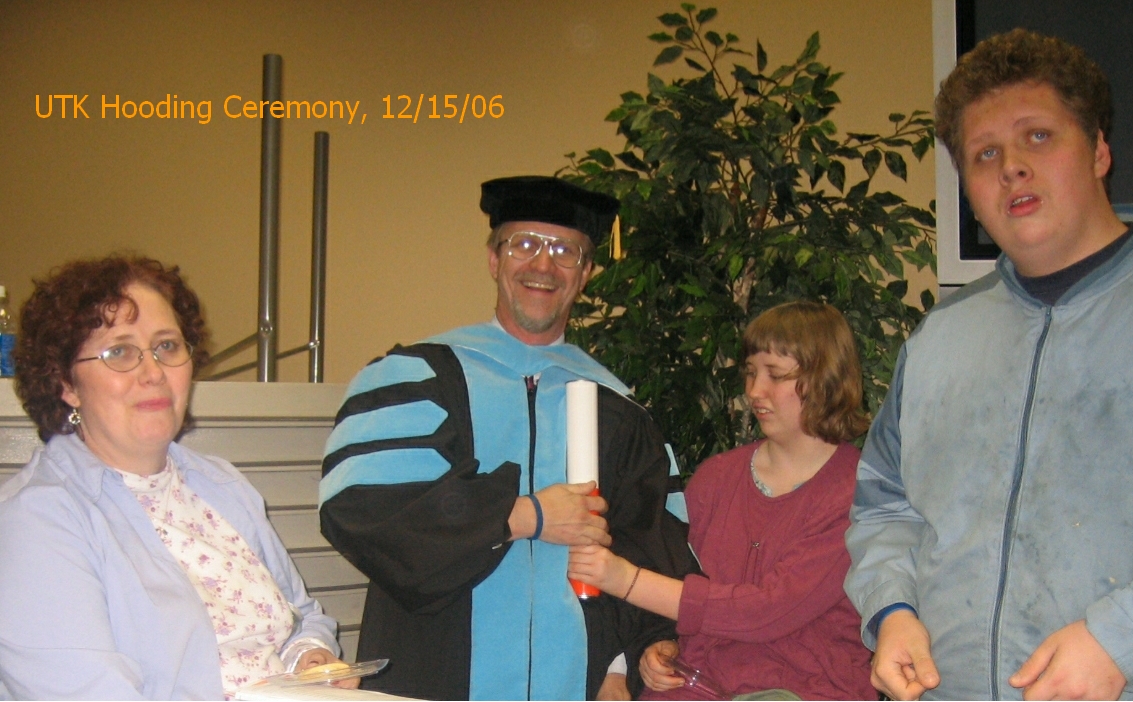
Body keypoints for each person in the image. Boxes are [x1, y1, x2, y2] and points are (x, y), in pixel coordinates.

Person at [845, 28, 1133, 701]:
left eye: (1038, 137)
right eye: (984, 153)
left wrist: (1125, 639)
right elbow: (883, 506)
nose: (1010, 167)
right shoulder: (939, 337)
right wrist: (893, 611)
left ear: (1100, 149)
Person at [318, 175, 693, 700]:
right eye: (524, 244)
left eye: (565, 251)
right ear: (494, 260)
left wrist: (623, 660)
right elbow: (366, 511)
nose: (543, 265)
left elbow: (651, 548)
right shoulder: (417, 378)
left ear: (584, 274)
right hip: (434, 676)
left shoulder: (621, 412)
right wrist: (525, 514)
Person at [0, 256, 348, 699]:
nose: (153, 373)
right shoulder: (36, 521)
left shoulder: (221, 486)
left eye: (167, 346)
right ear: (66, 383)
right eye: (120, 352)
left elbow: (304, 616)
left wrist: (310, 657)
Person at [569, 301, 878, 700]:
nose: (754, 391)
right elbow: (670, 571)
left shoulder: (855, 493)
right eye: (750, 373)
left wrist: (626, 580)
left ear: (827, 380)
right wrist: (654, 646)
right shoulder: (716, 478)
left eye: (776, 375)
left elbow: (766, 611)